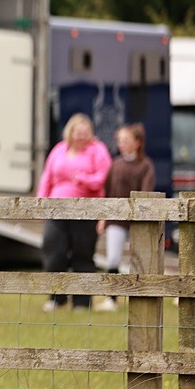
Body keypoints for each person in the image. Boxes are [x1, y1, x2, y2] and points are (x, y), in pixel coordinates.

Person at [36, 113, 112, 311]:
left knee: (83, 256)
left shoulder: (98, 150)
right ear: (70, 132)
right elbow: (47, 177)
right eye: (78, 132)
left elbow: (103, 178)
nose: (81, 136)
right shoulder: (59, 149)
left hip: (85, 211)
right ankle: (56, 297)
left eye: (85, 132)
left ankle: (82, 302)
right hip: (56, 209)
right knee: (53, 252)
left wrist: (82, 179)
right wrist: (40, 202)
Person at [94, 123, 156, 312]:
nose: (122, 144)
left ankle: (144, 294)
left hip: (139, 221)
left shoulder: (146, 166)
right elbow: (108, 193)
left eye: (126, 140)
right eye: (120, 140)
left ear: (137, 142)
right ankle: (112, 298)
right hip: (116, 220)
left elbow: (146, 193)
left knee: (142, 259)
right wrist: (104, 217)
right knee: (113, 258)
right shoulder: (116, 165)